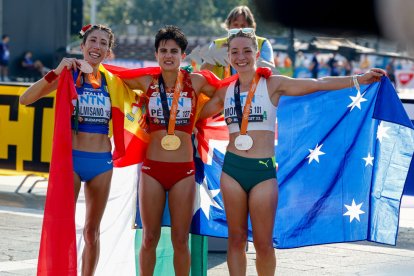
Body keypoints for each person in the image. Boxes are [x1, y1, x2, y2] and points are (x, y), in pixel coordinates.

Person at [200, 30, 385, 275]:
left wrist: (359, 79)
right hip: (232, 170)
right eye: (235, 52)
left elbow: (318, 84)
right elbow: (194, 117)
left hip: (262, 172)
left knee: (264, 244)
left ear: (257, 53)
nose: (241, 56)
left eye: (247, 51)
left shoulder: (273, 84)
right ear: (229, 56)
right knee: (235, 239)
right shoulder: (224, 92)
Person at [20, 24, 119, 276]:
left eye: (103, 43)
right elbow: (26, 99)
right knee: (61, 226)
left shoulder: (115, 82)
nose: (97, 46)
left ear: (108, 51)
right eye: (92, 41)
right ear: (82, 46)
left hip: (102, 163)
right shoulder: (68, 75)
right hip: (71, 161)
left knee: (91, 232)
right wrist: (56, 71)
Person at [120, 25, 217, 276]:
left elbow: (226, 92)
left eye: (174, 51)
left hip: (183, 172)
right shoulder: (146, 81)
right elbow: (111, 78)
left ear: (183, 55)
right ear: (156, 54)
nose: (168, 55)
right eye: (163, 50)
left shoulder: (196, 81)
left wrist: (199, 115)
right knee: (149, 238)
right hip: (152, 169)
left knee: (180, 239)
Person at [200, 5, 274, 78]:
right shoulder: (217, 44)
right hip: (222, 89)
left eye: (243, 25)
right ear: (228, 26)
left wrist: (249, 59)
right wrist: (215, 57)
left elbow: (272, 70)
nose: (239, 29)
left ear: (252, 28)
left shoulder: (263, 43)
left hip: (255, 88)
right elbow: (202, 72)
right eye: (235, 25)